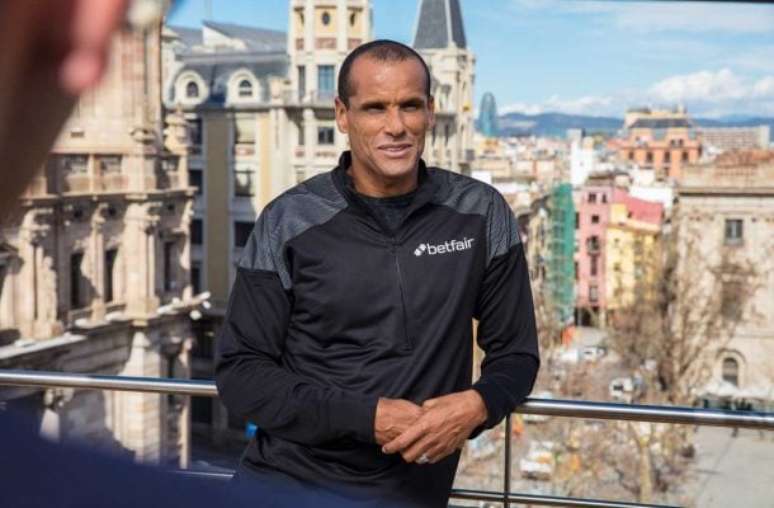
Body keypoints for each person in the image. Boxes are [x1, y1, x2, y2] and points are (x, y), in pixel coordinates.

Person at [215, 39, 540, 507]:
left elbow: (517, 354)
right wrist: (368, 418)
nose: (396, 126)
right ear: (342, 115)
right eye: (375, 108)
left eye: (410, 106)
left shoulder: (479, 213)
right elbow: (241, 373)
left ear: (430, 111)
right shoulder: (288, 221)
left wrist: (478, 404)